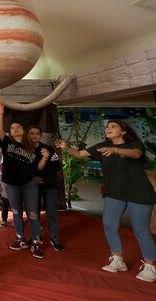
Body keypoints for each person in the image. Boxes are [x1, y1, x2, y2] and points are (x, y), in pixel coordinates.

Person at [56, 120, 156, 282]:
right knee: (109, 225)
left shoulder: (135, 145)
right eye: (107, 126)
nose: (108, 128)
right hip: (114, 193)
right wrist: (66, 147)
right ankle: (118, 260)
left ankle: (151, 267)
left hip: (139, 193)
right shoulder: (102, 146)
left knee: (141, 231)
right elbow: (80, 154)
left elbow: (137, 155)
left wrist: (115, 150)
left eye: (113, 126)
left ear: (123, 132)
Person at [0, 100, 47, 259]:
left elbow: (38, 167)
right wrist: (0, 115)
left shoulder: (33, 146)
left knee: (33, 213)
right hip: (11, 184)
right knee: (16, 212)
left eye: (18, 126)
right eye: (12, 127)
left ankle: (37, 241)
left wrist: (44, 158)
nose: (15, 128)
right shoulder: (7, 143)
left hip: (29, 183)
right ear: (10, 133)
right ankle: (21, 238)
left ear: (23, 131)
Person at [27, 126, 66, 251]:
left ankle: (54, 237)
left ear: (41, 135)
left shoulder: (48, 149)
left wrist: (43, 169)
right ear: (27, 135)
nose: (34, 136)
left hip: (49, 186)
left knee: (52, 212)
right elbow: (21, 169)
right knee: (34, 213)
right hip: (32, 186)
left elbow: (57, 167)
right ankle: (35, 237)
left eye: (37, 133)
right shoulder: (24, 150)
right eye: (31, 133)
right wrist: (33, 177)